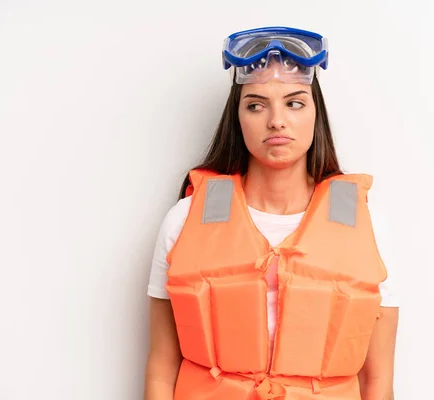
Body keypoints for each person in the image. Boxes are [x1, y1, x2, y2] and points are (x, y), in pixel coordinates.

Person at [144, 26, 399, 400]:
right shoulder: (184, 219)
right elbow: (161, 369)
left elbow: (378, 380)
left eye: (294, 102)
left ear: (316, 114)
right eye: (256, 104)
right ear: (238, 117)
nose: (276, 120)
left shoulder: (369, 223)